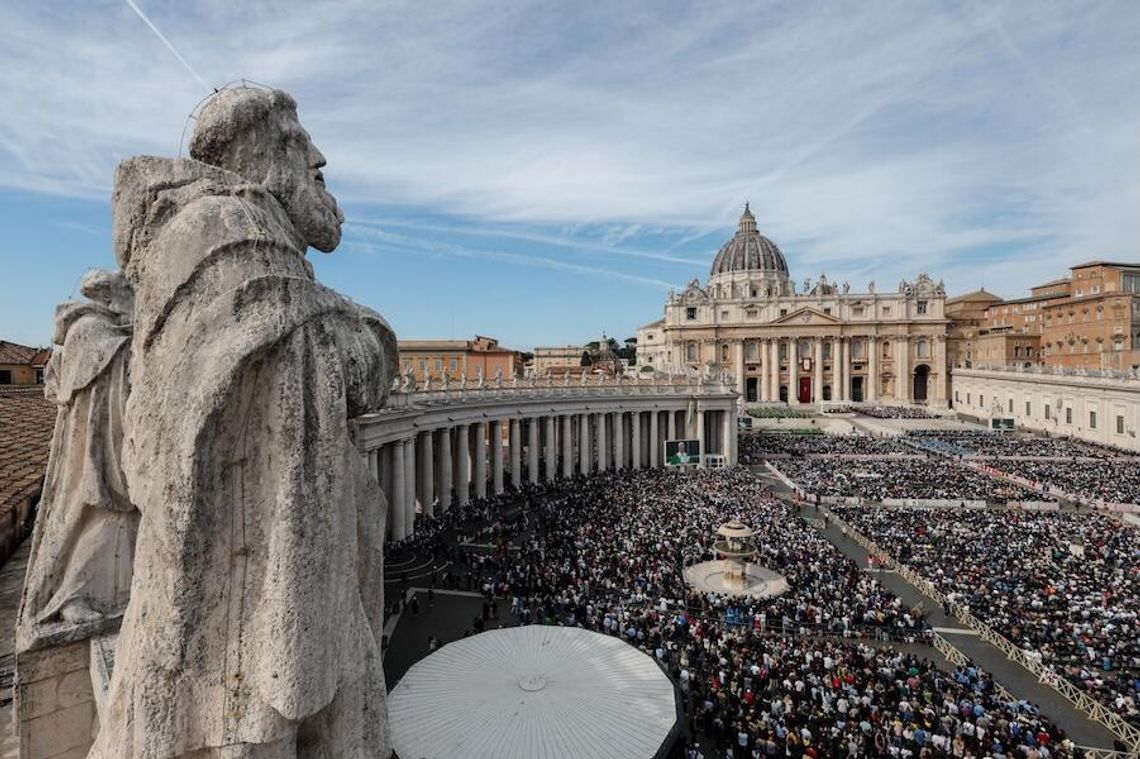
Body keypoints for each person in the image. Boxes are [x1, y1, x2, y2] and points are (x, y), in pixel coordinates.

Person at [90, 88, 396, 758]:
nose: (319, 157)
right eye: (302, 147)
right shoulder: (229, 244)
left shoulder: (250, 255)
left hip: (247, 593)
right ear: (261, 158)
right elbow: (354, 362)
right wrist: (353, 326)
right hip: (244, 610)